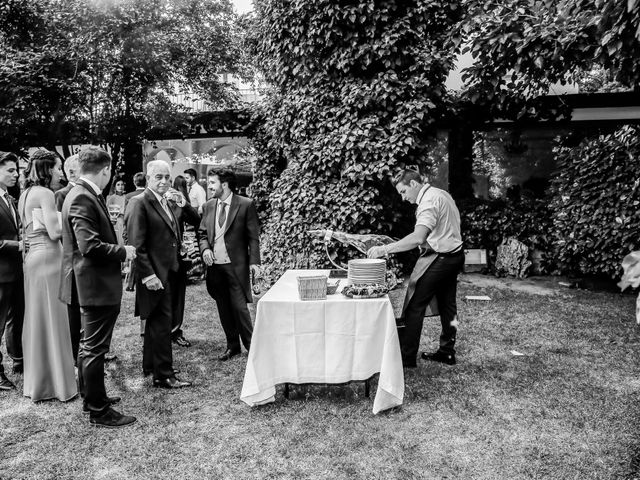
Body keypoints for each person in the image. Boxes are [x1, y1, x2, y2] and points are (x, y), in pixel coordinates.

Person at [59, 146, 137, 427]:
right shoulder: (82, 196)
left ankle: (90, 395)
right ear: (105, 170)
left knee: (87, 345)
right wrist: (122, 251)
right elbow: (88, 246)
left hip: (89, 283)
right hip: (94, 284)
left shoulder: (81, 192)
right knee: (95, 348)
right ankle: (98, 409)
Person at [367, 169, 464, 368]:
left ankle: (406, 358)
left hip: (441, 258)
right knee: (448, 306)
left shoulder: (428, 202)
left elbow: (418, 237)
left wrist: (385, 249)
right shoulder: (441, 194)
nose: (403, 198)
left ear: (413, 184)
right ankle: (447, 352)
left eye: (403, 192)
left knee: (414, 305)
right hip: (456, 255)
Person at [127, 160, 199, 388]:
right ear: (148, 177)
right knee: (161, 323)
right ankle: (164, 374)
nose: (164, 181)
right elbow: (137, 244)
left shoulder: (165, 200)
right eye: (158, 176)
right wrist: (148, 275)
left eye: (167, 177)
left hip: (169, 270)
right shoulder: (140, 202)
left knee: (156, 322)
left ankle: (151, 365)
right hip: (155, 274)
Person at [19, 150, 77, 402]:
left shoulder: (25, 194)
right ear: (47, 170)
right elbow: (54, 232)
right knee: (54, 319)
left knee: (38, 319)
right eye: (57, 168)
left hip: (34, 259)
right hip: (49, 258)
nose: (60, 172)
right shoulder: (45, 194)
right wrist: (73, 218)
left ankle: (39, 381)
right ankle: (58, 384)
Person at [198, 168, 260, 361]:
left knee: (240, 308)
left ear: (224, 185)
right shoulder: (209, 206)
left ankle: (253, 349)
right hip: (215, 268)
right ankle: (232, 346)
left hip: (236, 267)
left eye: (212, 183)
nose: (209, 186)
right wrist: (205, 249)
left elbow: (253, 238)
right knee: (223, 307)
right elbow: (202, 234)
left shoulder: (245, 204)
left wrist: (255, 262)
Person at [0, 152, 24, 391]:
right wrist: (18, 244)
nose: (16, 174)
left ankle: (18, 360)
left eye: (16, 169)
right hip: (1, 272)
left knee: (16, 318)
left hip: (17, 270)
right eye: (10, 170)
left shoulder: (9, 198)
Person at [169, 175, 198, 348]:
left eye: (167, 178)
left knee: (178, 297)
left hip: (177, 257)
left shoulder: (177, 202)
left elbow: (195, 220)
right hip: (158, 258)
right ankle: (157, 333)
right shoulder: (147, 201)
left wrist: (184, 203)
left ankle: (175, 331)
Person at [122, 172, 146, 292]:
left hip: (132, 228)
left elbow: (126, 215)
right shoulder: (147, 194)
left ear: (134, 182)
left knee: (134, 256)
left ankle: (131, 283)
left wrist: (125, 232)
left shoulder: (128, 196)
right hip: (145, 230)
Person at [106, 176, 126, 246]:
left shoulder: (126, 197)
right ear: (115, 186)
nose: (120, 186)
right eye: (118, 185)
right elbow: (107, 211)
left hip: (125, 222)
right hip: (115, 223)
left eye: (122, 184)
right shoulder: (111, 198)